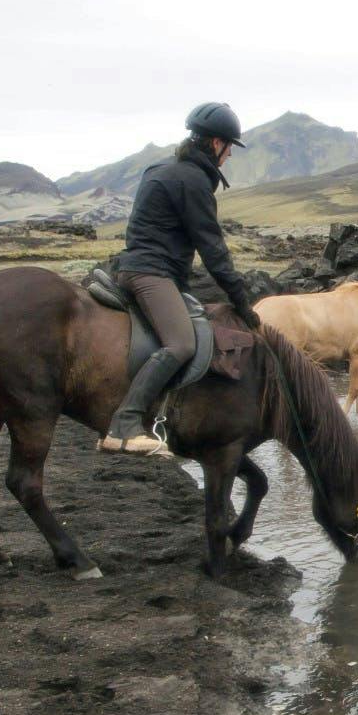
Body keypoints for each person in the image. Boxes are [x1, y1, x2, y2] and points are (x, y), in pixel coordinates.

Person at [98, 102, 262, 455]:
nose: (230, 154)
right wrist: (242, 302)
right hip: (150, 273)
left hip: (146, 268)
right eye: (230, 146)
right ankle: (125, 423)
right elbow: (213, 250)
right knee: (182, 344)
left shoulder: (165, 168)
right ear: (216, 143)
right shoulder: (191, 180)